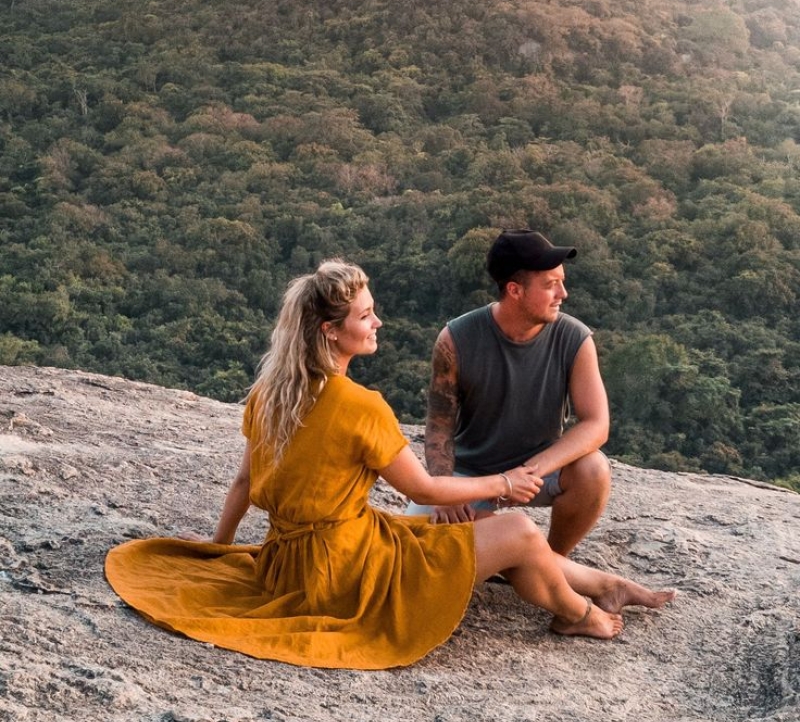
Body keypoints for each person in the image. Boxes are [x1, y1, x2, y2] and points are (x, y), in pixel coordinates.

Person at [105, 259, 673, 670]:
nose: (377, 324)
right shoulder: (361, 407)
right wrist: (504, 483)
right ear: (332, 330)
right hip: (348, 573)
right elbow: (423, 484)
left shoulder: (268, 393)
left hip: (289, 565)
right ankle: (579, 613)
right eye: (366, 316)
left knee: (453, 533)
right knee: (518, 530)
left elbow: (245, 481)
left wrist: (223, 547)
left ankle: (606, 584)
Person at [408, 229, 610, 556]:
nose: (564, 293)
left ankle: (554, 559)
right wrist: (445, 492)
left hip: (537, 469)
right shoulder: (455, 339)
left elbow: (596, 424)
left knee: (594, 470)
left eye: (562, 281)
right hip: (470, 473)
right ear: (514, 290)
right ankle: (514, 548)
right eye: (550, 285)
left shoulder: (575, 339)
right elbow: (439, 425)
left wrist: (527, 473)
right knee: (416, 550)